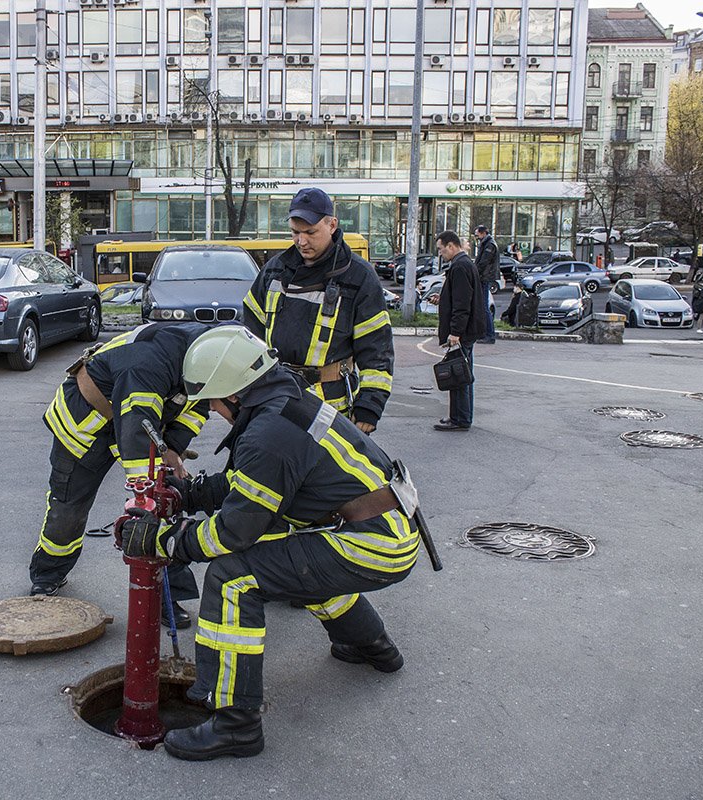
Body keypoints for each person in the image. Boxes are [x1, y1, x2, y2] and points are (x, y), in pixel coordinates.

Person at [118, 325, 421, 761]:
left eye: (212, 403)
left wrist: (166, 541)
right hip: (384, 529)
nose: (214, 413)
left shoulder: (268, 434)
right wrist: (192, 493)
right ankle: (371, 644)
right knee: (290, 558)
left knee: (234, 575)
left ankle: (235, 724)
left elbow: (233, 533)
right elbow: (253, 483)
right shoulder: (284, 402)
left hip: (375, 542)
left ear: (234, 395)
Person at [28, 322, 210, 627]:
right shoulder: (149, 365)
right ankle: (48, 575)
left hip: (141, 422)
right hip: (88, 423)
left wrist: (174, 449)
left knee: (164, 507)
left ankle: (168, 596)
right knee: (68, 508)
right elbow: (137, 433)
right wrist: (147, 494)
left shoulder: (205, 362)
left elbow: (196, 409)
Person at [242, 188, 394, 435]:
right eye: (295, 233)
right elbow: (249, 335)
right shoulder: (275, 270)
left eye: (310, 232)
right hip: (275, 398)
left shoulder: (359, 276)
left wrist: (369, 406)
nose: (301, 241)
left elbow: (377, 348)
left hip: (331, 406)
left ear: (332, 225)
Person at [433, 231, 486, 432]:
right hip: (467, 330)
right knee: (460, 373)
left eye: (441, 249)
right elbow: (459, 297)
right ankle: (458, 416)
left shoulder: (460, 266)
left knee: (459, 374)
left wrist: (455, 332)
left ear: (451, 246)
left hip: (463, 332)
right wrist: (442, 299)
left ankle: (461, 419)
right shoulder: (463, 264)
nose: (440, 253)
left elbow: (462, 304)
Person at [473, 225, 500, 344]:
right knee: (482, 306)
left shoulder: (489, 245)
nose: (476, 237)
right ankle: (485, 333)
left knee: (484, 307)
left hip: (485, 277)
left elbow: (483, 262)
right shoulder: (486, 243)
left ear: (483, 233)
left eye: (477, 235)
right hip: (484, 277)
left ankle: (489, 334)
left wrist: (474, 272)